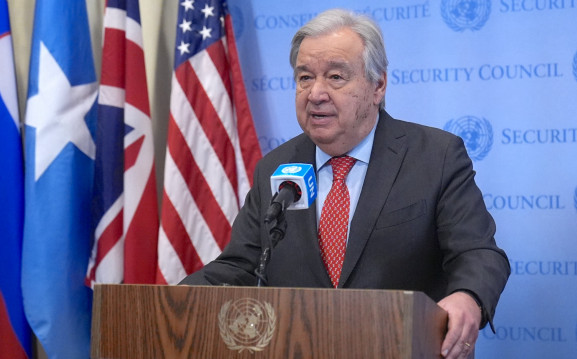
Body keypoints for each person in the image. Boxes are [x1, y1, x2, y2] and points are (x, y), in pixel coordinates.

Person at [180, 8, 510, 359]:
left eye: (336, 77)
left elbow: (478, 253)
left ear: (378, 85)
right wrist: (173, 298)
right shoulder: (275, 167)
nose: (315, 93)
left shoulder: (436, 157)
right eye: (305, 78)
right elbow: (242, 267)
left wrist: (467, 298)